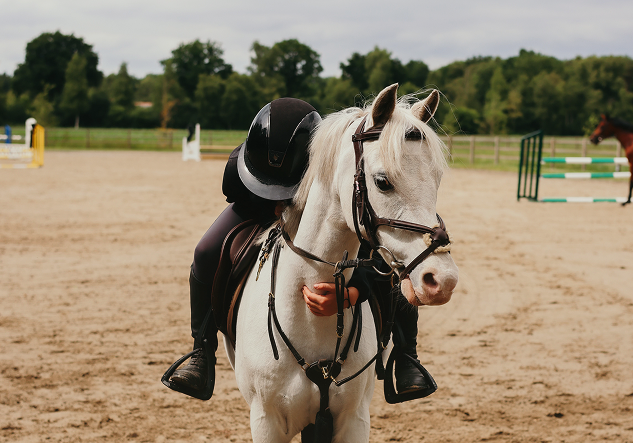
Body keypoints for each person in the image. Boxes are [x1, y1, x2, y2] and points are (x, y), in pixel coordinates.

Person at [161, 97, 434, 405]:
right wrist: (271, 204)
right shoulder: (238, 167)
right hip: (257, 208)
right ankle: (200, 349)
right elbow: (236, 197)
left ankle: (406, 355)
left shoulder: (328, 162)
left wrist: (356, 290)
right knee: (206, 250)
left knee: (391, 252)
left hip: (311, 205)